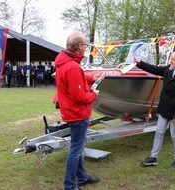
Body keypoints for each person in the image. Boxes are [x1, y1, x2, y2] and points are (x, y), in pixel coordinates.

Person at [55, 32, 103, 190]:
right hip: (77, 113)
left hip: (71, 112)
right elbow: (79, 96)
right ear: (79, 47)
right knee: (76, 150)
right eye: (85, 45)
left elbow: (74, 82)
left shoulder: (65, 63)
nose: (86, 47)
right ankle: (69, 185)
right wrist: (94, 95)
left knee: (78, 147)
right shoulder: (72, 66)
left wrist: (92, 79)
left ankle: (81, 177)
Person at [135, 51, 175, 168]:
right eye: (171, 58)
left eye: (174, 59)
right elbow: (154, 69)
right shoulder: (168, 69)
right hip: (164, 108)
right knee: (159, 132)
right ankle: (153, 158)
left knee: (174, 135)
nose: (171, 61)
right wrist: (140, 63)